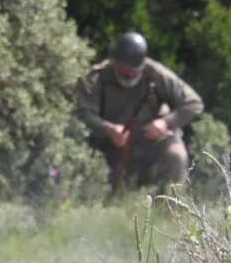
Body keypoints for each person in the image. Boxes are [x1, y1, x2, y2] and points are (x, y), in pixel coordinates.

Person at [76, 32, 203, 192]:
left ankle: (167, 209)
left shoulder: (155, 73)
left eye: (134, 70)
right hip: (108, 150)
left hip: (149, 144)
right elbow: (84, 113)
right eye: (124, 69)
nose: (129, 74)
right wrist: (107, 129)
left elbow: (193, 102)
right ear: (114, 61)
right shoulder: (96, 77)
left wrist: (165, 122)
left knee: (176, 155)